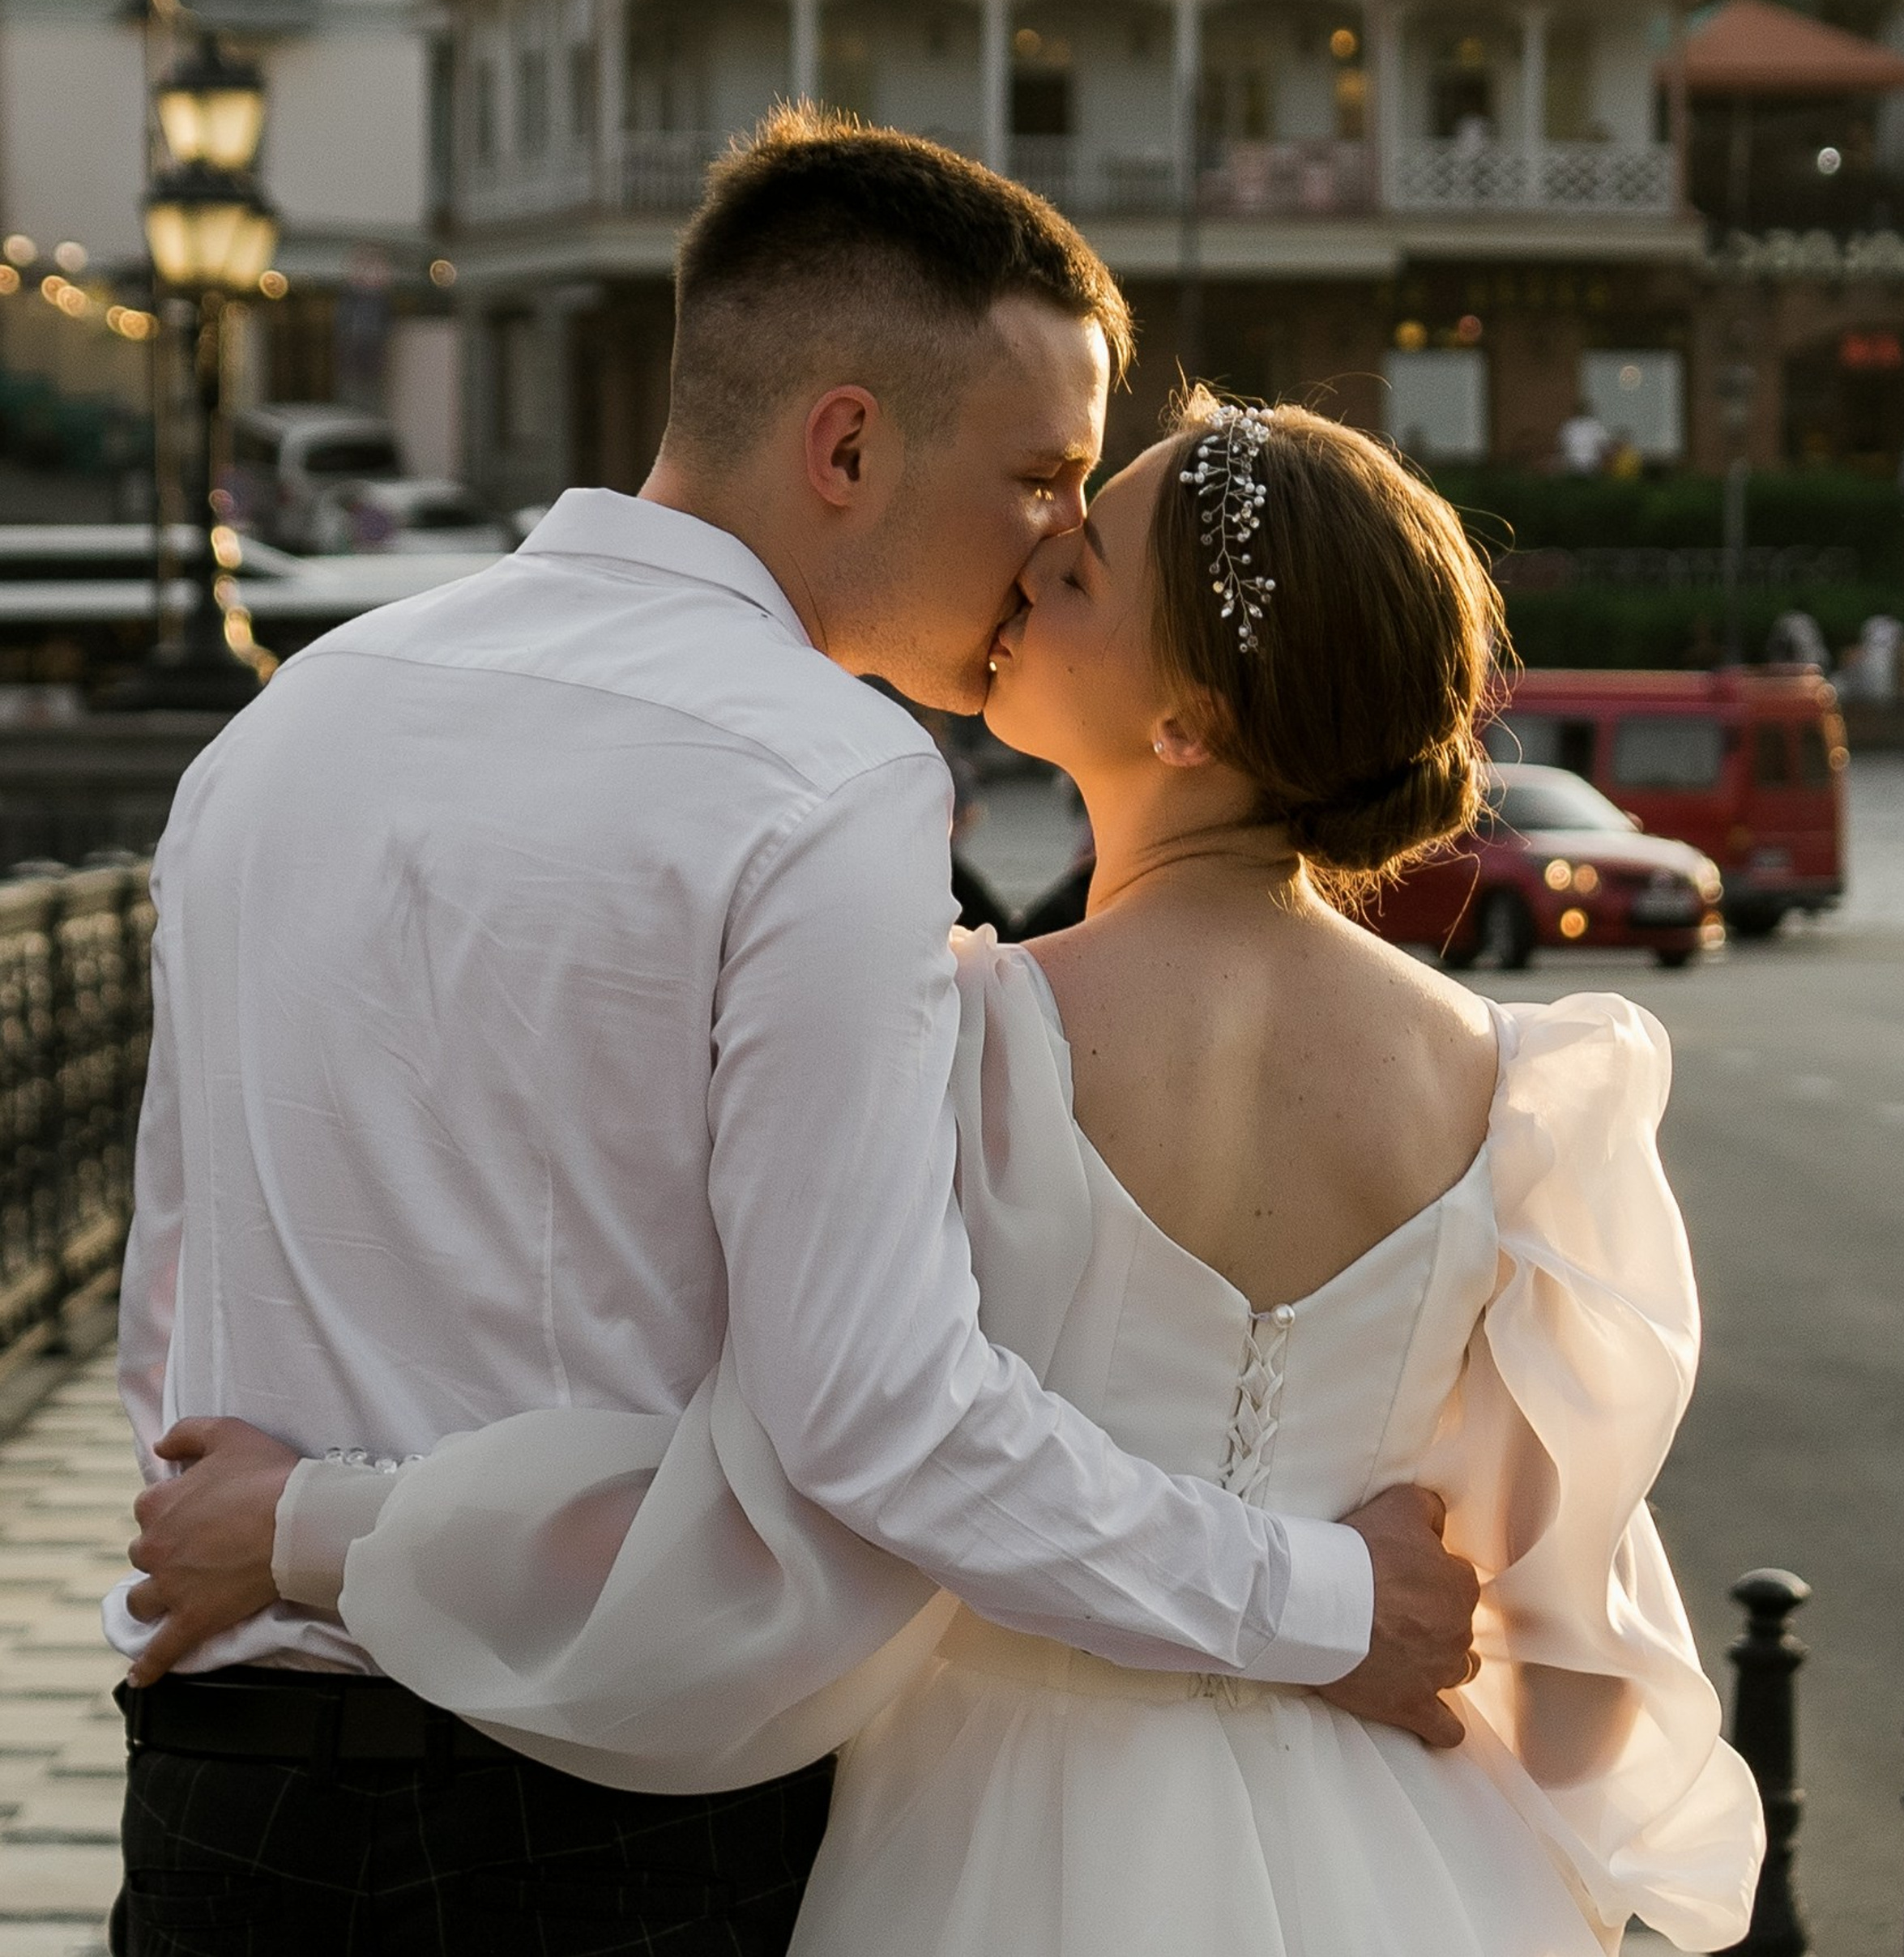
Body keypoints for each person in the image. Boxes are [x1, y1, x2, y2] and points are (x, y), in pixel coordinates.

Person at [126, 378, 1762, 1954]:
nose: (1030, 564)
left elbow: (784, 1473)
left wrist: (318, 1522)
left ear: (1182, 721)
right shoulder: (1527, 1089)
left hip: (995, 1830)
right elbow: (1558, 1612)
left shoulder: (975, 1033)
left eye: (1081, 561)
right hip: (1405, 1839)